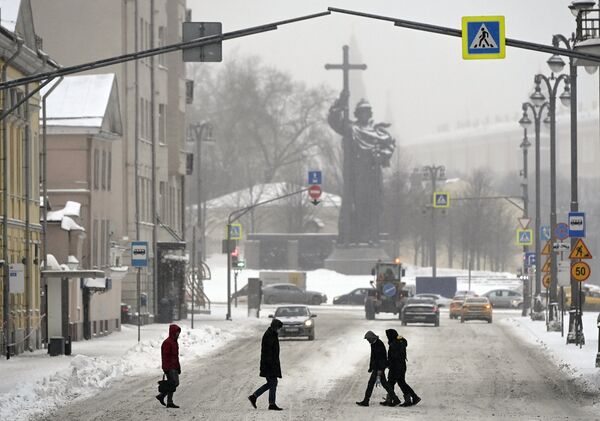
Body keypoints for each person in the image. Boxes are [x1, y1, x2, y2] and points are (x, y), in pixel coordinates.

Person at [356, 331, 400, 407]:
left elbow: (381, 359)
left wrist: (380, 370)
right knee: (385, 384)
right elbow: (372, 357)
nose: (368, 341)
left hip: (379, 367)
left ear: (372, 338)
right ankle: (395, 399)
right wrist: (371, 367)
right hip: (377, 367)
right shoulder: (374, 344)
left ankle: (366, 401)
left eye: (368, 339)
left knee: (371, 384)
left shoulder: (378, 344)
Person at [248, 318, 284, 411]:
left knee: (271, 383)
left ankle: (254, 396)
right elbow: (268, 352)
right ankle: (271, 403)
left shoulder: (272, 334)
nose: (280, 330)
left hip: (270, 364)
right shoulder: (269, 336)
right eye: (279, 328)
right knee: (273, 383)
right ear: (276, 327)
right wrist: (270, 365)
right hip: (269, 364)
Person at [381, 329, 421, 407]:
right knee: (401, 382)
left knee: (391, 383)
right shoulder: (400, 341)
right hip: (401, 366)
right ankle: (413, 398)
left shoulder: (394, 344)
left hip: (396, 367)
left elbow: (393, 357)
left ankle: (392, 399)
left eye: (388, 336)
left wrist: (387, 363)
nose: (387, 337)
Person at [156, 324, 181, 409]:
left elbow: (175, 356)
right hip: (170, 368)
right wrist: (166, 368)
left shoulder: (174, 342)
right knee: (174, 383)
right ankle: (164, 397)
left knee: (173, 384)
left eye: (179, 332)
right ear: (173, 332)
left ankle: (166, 399)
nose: (178, 334)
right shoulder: (168, 342)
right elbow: (165, 357)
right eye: (177, 332)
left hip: (174, 367)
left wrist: (178, 367)